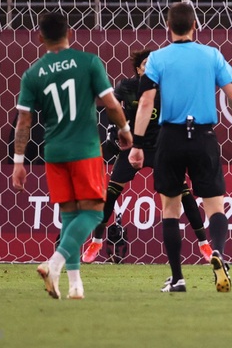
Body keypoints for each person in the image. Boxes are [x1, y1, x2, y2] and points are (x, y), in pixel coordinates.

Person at [129, 2, 232, 293]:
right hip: (203, 136)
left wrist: (137, 143)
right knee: (215, 206)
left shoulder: (157, 59)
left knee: (170, 209)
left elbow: (146, 102)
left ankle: (177, 278)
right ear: (196, 26)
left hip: (170, 138)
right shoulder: (211, 55)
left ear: (168, 28)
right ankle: (219, 252)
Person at [12, 12, 133, 299]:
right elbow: (111, 103)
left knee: (69, 215)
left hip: (53, 151)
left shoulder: (33, 73)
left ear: (40, 38)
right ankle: (54, 264)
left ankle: (75, 285)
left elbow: (24, 122)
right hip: (85, 148)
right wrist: (125, 129)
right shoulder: (88, 62)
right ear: (70, 32)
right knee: (93, 213)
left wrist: (19, 161)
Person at [82, 49, 212, 265]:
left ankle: (203, 244)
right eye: (145, 64)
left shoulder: (168, 88)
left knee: (185, 194)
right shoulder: (127, 87)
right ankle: (96, 241)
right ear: (138, 68)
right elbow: (110, 107)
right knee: (111, 192)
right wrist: (115, 132)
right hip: (134, 146)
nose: (150, 67)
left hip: (163, 149)